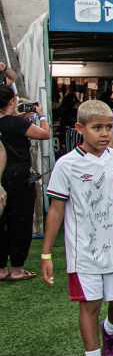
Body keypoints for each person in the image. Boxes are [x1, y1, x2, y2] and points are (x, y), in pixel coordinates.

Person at [41, 100, 113, 356]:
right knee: (90, 305)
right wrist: (45, 253)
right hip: (84, 252)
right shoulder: (66, 165)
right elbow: (56, 209)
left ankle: (110, 331)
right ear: (80, 129)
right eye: (97, 128)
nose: (104, 133)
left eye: (109, 127)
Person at [0, 87, 51, 281]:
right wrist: (42, 115)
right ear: (12, 101)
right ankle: (17, 268)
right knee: (20, 222)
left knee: (1, 223)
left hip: (1, 178)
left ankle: (1, 268)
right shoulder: (17, 123)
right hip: (19, 178)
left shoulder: (14, 121)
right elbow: (45, 134)